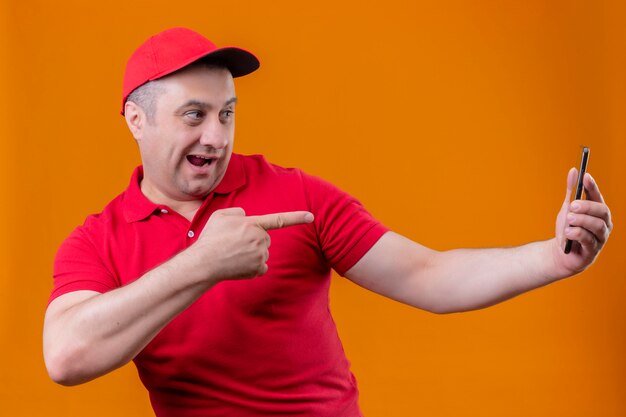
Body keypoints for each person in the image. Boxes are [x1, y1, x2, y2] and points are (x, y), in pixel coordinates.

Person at [43, 27, 613, 417]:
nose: (215, 137)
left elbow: (428, 275)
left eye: (227, 114)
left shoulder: (293, 193)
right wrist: (202, 264)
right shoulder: (97, 241)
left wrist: (550, 257)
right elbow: (67, 357)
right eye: (194, 115)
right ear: (137, 121)